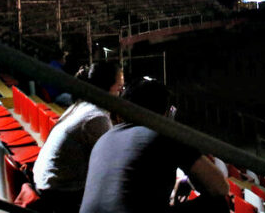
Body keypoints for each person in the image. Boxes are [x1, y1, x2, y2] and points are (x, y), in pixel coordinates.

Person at [79, 79, 229, 213]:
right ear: (164, 113)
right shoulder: (165, 135)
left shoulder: (105, 138)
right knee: (218, 204)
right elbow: (220, 187)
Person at [33, 61, 125, 213]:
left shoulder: (82, 104)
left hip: (44, 180)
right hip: (58, 191)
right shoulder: (97, 117)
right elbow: (112, 164)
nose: (121, 93)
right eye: (119, 87)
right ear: (106, 87)